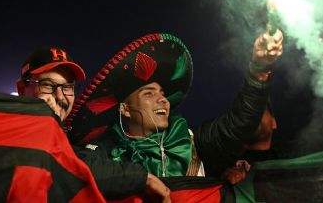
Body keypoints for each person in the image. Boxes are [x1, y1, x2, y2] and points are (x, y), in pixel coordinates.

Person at [66, 31, 283, 184]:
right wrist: (143, 180)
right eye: (149, 93)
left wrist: (259, 68)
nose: (163, 100)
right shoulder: (104, 153)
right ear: (125, 109)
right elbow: (72, 168)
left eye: (163, 93)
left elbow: (241, 123)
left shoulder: (193, 142)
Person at [17, 47, 171, 202]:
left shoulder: (78, 146)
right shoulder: (4, 130)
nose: (60, 96)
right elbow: (63, 164)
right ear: (22, 90)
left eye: (67, 87)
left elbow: (80, 162)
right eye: (47, 85)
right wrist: (143, 178)